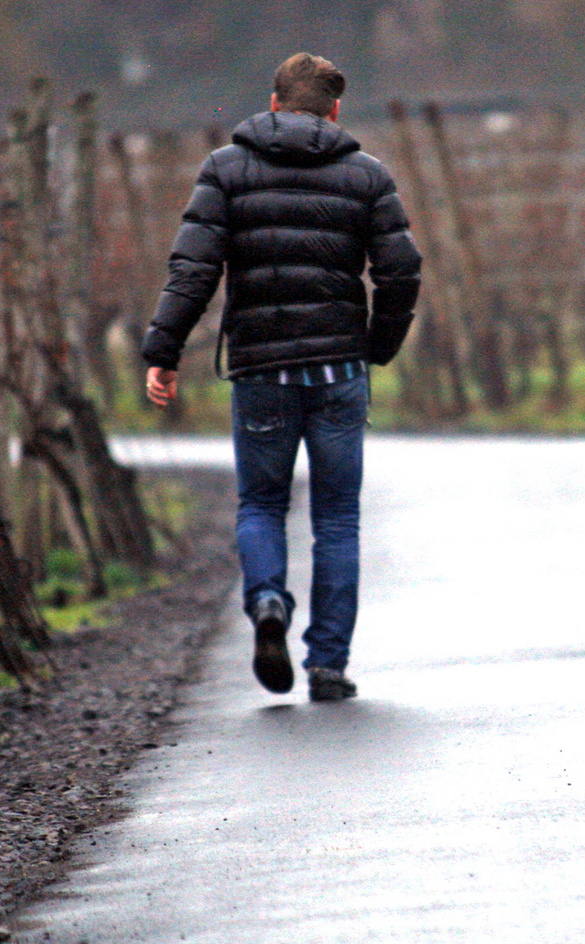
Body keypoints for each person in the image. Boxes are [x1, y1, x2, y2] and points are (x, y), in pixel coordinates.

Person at [142, 53, 421, 702]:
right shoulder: (366, 177)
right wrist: (376, 346)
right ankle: (327, 664)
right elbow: (401, 271)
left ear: (272, 104)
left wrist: (165, 349)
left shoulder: (226, 170)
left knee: (262, 503)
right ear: (335, 110)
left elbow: (193, 271)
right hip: (337, 370)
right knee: (337, 519)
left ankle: (268, 599)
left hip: (261, 369)